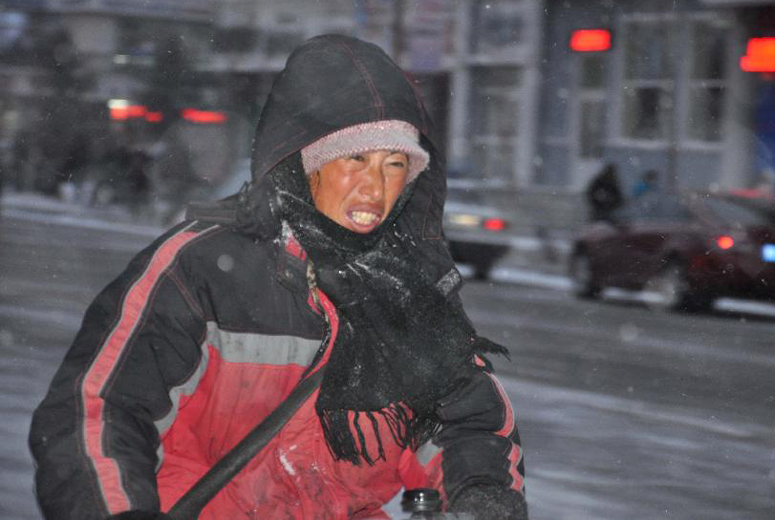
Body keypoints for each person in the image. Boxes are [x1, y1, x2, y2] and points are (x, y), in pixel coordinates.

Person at [29, 35, 527, 520]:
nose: (375, 186)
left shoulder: (413, 298)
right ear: (300, 163)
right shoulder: (201, 268)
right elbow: (98, 411)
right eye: (354, 158)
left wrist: (483, 499)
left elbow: (470, 424)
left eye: (395, 164)